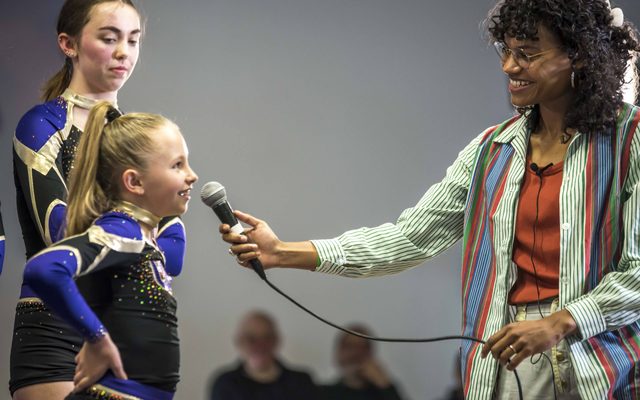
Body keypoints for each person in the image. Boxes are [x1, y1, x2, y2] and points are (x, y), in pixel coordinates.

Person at [220, 0, 640, 399]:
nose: (509, 66)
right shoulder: (490, 152)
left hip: (596, 368)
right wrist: (282, 252)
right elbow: (410, 238)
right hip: (499, 363)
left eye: (527, 53)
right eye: (506, 51)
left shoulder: (630, 139)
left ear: (579, 56)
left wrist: (561, 322)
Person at [10, 1, 186, 399]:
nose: (124, 51)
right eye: (109, 38)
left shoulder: (140, 140)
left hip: (130, 331)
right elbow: (61, 234)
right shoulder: (43, 125)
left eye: (133, 40)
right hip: (57, 325)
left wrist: (128, 232)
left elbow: (172, 256)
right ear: (68, 44)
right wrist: (141, 225)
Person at [23, 101, 198, 399]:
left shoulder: (141, 236)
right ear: (134, 181)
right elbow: (45, 268)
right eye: (177, 165)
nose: (191, 175)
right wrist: (97, 338)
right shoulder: (121, 230)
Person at [209, 310, 321, 400]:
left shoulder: (301, 383)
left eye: (266, 338)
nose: (260, 346)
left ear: (276, 340)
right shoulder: (225, 384)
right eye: (251, 339)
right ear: (239, 341)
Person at [321, 324, 406, 400]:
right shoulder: (324, 393)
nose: (356, 352)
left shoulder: (385, 392)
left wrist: (384, 383)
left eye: (362, 347)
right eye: (350, 346)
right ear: (339, 353)